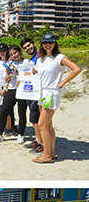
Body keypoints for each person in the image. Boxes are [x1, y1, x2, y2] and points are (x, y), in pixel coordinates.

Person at [32, 33, 81, 164]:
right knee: (48, 125)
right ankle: (52, 153)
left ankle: (46, 155)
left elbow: (76, 69)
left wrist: (63, 82)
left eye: (51, 42)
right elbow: (37, 72)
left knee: (42, 125)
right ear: (41, 44)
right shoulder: (41, 58)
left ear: (55, 44)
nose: (48, 45)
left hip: (51, 94)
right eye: (45, 43)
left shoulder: (60, 57)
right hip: (41, 93)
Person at [0, 45, 28, 144]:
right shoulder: (9, 63)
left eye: (15, 53)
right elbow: (6, 79)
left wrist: (18, 75)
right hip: (11, 89)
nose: (14, 55)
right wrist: (8, 73)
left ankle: (21, 134)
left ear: (20, 52)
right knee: (3, 110)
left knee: (21, 112)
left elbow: (30, 76)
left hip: (23, 90)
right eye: (12, 54)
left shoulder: (27, 62)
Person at [20, 37, 42, 154]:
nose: (28, 48)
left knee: (38, 118)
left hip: (39, 92)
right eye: (25, 48)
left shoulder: (41, 55)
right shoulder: (31, 59)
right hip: (31, 91)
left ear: (34, 44)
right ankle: (38, 139)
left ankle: (42, 143)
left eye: (29, 46)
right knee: (34, 117)